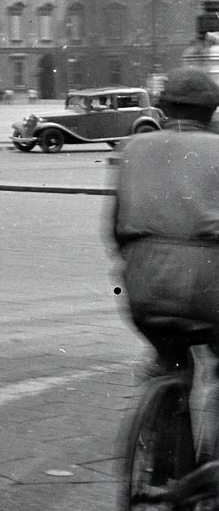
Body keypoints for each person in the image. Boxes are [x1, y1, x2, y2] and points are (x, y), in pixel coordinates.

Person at [108, 67, 219, 372]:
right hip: (208, 292)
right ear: (211, 112)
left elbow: (114, 230)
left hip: (143, 291)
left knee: (168, 356)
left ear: (164, 109)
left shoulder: (132, 148)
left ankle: (162, 382)